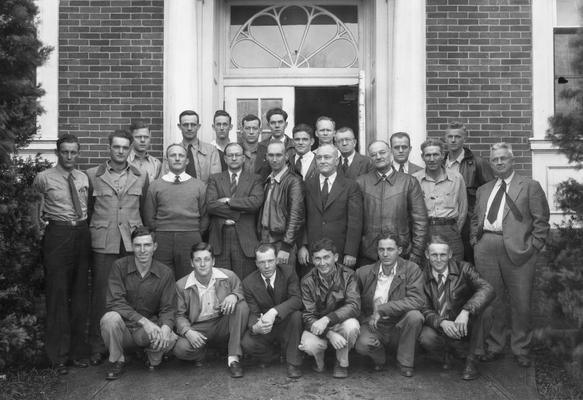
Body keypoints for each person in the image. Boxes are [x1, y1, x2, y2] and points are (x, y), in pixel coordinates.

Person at [470, 142, 550, 368]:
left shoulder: (529, 186)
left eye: (503, 158)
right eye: (494, 159)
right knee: (492, 301)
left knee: (521, 301)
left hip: (519, 249)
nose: (498, 163)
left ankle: (521, 348)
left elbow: (541, 219)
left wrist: (534, 246)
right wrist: (475, 240)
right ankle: (495, 345)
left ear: (511, 160)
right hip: (487, 247)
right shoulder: (484, 189)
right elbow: (476, 218)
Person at [86, 129, 149, 366]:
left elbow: (145, 211)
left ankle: (132, 344)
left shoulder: (140, 175)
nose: (121, 151)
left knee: (133, 294)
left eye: (125, 147)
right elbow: (89, 211)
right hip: (105, 243)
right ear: (109, 148)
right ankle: (97, 346)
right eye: (117, 147)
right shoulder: (93, 175)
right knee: (102, 294)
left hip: (131, 244)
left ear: (130, 149)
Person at [33, 134, 91, 375]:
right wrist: (41, 235)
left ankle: (77, 353)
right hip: (58, 234)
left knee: (80, 294)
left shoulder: (83, 177)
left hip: (81, 233)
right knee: (57, 294)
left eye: (73, 152)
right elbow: (34, 212)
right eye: (65, 152)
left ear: (78, 153)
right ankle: (57, 356)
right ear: (58, 153)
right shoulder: (43, 178)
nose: (69, 156)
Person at [100, 227, 177, 380]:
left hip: (147, 331)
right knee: (109, 319)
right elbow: (115, 301)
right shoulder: (119, 267)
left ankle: (147, 353)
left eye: (147, 245)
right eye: (138, 245)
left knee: (170, 339)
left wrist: (166, 328)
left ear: (154, 247)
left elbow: (168, 308)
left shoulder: (165, 273)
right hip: (124, 330)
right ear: (132, 246)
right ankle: (117, 360)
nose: (142, 250)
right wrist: (143, 321)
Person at [419, 235, 495, 380]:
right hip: (440, 328)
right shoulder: (421, 275)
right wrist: (441, 322)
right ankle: (448, 353)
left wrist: (466, 311)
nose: (439, 259)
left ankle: (472, 360)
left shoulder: (464, 268)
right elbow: (423, 307)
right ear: (427, 255)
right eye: (434, 255)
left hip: (464, 325)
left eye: (443, 254)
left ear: (450, 254)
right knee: (425, 337)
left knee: (487, 311)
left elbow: (488, 289)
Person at [173, 242, 249, 378]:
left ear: (213, 261)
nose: (203, 264)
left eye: (207, 259)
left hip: (222, 323)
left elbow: (241, 291)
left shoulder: (228, 276)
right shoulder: (181, 285)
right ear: (192, 263)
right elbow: (179, 315)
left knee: (241, 306)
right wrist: (187, 331)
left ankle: (233, 358)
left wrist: (234, 296)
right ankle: (208, 352)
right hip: (199, 328)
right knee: (180, 348)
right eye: (198, 260)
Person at [354, 233, 424, 377]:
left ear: (399, 250)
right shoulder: (363, 272)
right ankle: (381, 358)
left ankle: (405, 361)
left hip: (398, 325)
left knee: (415, 316)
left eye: (390, 249)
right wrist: (366, 320)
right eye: (381, 250)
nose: (385, 254)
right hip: (374, 325)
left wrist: (382, 309)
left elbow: (417, 300)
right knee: (362, 345)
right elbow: (354, 303)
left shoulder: (412, 269)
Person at [356, 140, 428, 266]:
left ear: (390, 153)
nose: (378, 157)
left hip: (402, 251)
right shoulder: (361, 183)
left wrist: (416, 252)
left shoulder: (409, 182)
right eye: (373, 154)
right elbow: (354, 220)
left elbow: (420, 220)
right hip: (368, 254)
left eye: (382, 152)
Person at [143, 144, 208, 280]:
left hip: (190, 237)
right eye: (173, 155)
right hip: (162, 238)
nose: (177, 159)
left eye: (181, 156)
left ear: (187, 161)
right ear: (167, 160)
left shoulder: (199, 186)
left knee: (189, 279)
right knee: (162, 278)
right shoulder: (155, 185)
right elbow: (149, 217)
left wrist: (194, 232)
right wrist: (161, 231)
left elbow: (205, 215)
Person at [299, 238, 360, 379]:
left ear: (336, 257)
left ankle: (341, 363)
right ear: (313, 260)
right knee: (309, 345)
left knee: (352, 326)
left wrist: (328, 319)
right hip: (317, 327)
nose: (322, 263)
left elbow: (354, 306)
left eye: (326, 257)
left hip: (339, 322)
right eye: (318, 259)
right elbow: (308, 315)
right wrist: (329, 333)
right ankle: (319, 363)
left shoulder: (349, 275)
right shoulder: (307, 280)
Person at [298, 144, 363, 274]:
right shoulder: (307, 185)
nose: (322, 161)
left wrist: (351, 252)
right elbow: (301, 218)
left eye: (327, 157)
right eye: (319, 158)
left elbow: (355, 222)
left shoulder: (350, 186)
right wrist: (302, 246)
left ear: (337, 161)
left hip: (340, 252)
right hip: (312, 253)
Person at [241, 244, 303, 378]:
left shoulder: (288, 272)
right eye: (262, 262)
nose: (267, 266)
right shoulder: (248, 282)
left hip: (285, 322)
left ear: (276, 260)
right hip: (266, 327)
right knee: (247, 342)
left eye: (270, 261)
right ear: (256, 263)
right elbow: (253, 311)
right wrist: (256, 327)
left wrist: (274, 311)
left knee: (297, 316)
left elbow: (297, 300)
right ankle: (273, 356)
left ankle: (293, 363)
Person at [207, 143, 264, 280]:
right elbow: (210, 205)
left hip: (245, 239)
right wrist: (238, 213)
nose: (234, 158)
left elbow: (255, 203)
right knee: (221, 282)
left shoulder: (254, 179)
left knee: (245, 281)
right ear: (225, 159)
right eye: (230, 155)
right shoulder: (214, 179)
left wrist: (228, 200)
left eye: (237, 155)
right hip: (220, 237)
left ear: (243, 158)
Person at [443, 121, 494, 263]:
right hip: (446, 222)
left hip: (469, 222)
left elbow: (490, 194)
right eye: (450, 136)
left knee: (469, 263)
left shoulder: (477, 163)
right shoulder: (440, 163)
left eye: (458, 137)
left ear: (465, 139)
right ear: (445, 139)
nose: (453, 140)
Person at [413, 139, 467, 261]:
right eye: (428, 155)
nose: (432, 159)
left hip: (450, 231)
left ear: (442, 155)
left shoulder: (457, 178)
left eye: (435, 154)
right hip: (425, 231)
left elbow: (463, 209)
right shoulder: (414, 180)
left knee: (454, 269)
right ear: (422, 157)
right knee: (426, 270)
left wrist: (455, 230)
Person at [258, 141, 305, 272]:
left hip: (282, 242)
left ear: (286, 156)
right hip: (265, 239)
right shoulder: (267, 179)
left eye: (278, 155)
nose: (274, 159)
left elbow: (296, 217)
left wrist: (286, 246)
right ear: (266, 156)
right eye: (271, 155)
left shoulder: (293, 180)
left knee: (285, 281)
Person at [177, 110, 222, 183]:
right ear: (179, 126)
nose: (189, 128)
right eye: (185, 125)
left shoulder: (211, 151)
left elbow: (215, 182)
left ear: (198, 126)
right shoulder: (171, 152)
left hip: (205, 193)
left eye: (193, 125)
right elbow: (167, 181)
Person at [254, 108, 295, 180]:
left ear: (286, 124)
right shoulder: (261, 146)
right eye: (273, 123)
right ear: (268, 125)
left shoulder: (294, 146)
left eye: (280, 122)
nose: (277, 126)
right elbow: (258, 173)